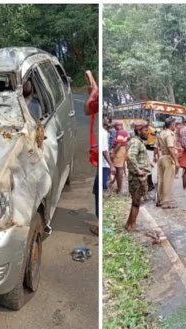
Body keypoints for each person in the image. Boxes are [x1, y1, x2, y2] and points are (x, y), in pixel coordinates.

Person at [124, 121, 152, 231]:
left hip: (137, 177)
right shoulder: (136, 142)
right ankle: (132, 225)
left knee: (135, 201)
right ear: (139, 131)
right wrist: (138, 170)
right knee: (136, 203)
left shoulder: (137, 142)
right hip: (137, 178)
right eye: (145, 131)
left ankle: (129, 224)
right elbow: (131, 156)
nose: (147, 133)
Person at [84, 71, 99, 235]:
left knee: (97, 188)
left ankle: (99, 224)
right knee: (97, 187)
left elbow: (87, 108)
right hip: (100, 153)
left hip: (100, 155)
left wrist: (93, 92)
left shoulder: (97, 100)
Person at [155, 117, 180, 208]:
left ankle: (160, 199)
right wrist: (176, 161)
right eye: (174, 124)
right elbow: (170, 148)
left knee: (161, 179)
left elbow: (156, 146)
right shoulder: (170, 134)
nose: (175, 126)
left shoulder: (161, 133)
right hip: (168, 158)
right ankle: (166, 202)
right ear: (172, 124)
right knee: (168, 181)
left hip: (162, 157)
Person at [111, 121, 129, 194]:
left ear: (119, 126)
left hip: (120, 150)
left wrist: (113, 152)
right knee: (119, 169)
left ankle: (119, 189)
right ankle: (119, 187)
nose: (115, 128)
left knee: (119, 169)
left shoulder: (121, 132)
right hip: (123, 149)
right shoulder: (124, 132)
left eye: (115, 126)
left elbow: (119, 143)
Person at [101, 117, 115, 193]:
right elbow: (104, 151)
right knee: (102, 187)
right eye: (105, 119)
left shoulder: (104, 132)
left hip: (101, 162)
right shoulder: (103, 132)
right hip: (103, 164)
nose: (108, 120)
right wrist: (111, 165)